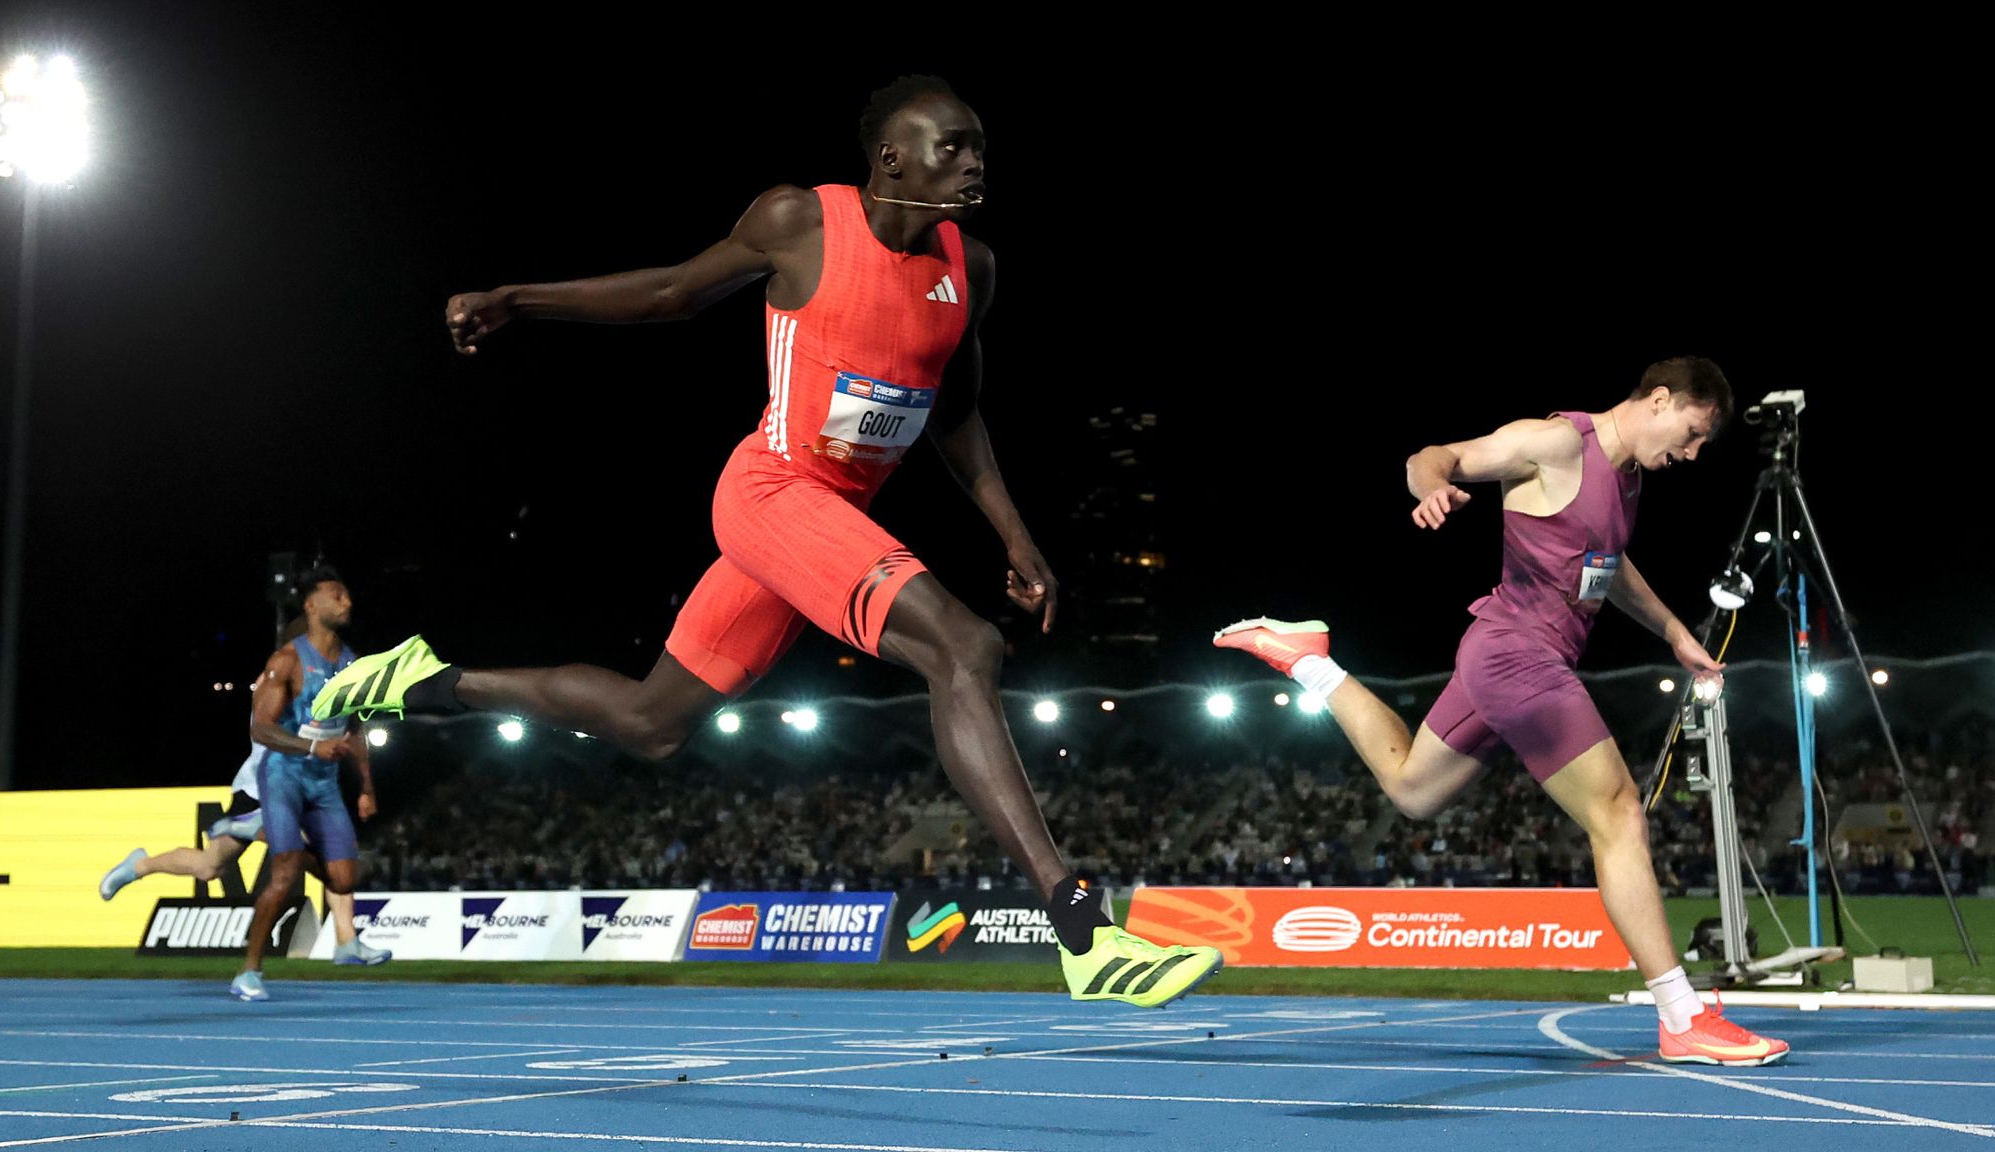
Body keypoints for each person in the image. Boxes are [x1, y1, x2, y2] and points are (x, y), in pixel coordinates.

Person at [312, 75, 1219, 1007]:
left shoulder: (970, 268)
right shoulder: (802, 223)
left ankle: (421, 679)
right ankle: (1082, 929)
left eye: (979, 144)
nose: (974, 158)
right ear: (889, 158)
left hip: (828, 525)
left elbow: (957, 413)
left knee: (649, 724)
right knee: (965, 646)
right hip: (771, 491)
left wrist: (1015, 538)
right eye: (951, 144)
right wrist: (519, 298)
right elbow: (670, 292)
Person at [1215, 357, 1788, 1065]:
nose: (1693, 455)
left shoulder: (1627, 477)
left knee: (1412, 791)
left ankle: (1307, 660)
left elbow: (1608, 565)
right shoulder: (1555, 444)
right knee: (1617, 813)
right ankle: (1680, 1014)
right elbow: (1436, 456)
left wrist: (1674, 632)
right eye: (1694, 434)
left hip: (1505, 660)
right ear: (1660, 400)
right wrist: (1431, 488)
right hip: (1519, 656)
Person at [98, 729, 391, 968]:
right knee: (211, 867)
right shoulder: (282, 680)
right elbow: (266, 732)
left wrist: (366, 787)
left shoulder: (337, 684)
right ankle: (140, 865)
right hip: (260, 788)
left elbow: (354, 733)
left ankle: (346, 940)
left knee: (210, 867)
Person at [232, 567, 386, 999]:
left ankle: (295, 855)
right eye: (337, 595)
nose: (347, 602)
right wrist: (308, 747)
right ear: (311, 605)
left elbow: (355, 730)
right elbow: (260, 729)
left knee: (342, 880)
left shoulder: (353, 664)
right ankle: (250, 971)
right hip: (284, 775)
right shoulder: (287, 661)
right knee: (281, 878)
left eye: (348, 595)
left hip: (325, 783)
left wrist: (367, 787)